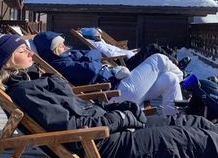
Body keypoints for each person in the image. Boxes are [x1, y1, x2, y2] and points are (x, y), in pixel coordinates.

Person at [0, 30, 218, 158]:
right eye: (23, 51)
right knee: (190, 139)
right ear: (6, 60)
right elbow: (72, 130)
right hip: (106, 149)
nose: (31, 52)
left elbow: (82, 111)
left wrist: (121, 112)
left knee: (195, 123)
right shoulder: (25, 93)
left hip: (113, 133)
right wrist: (121, 117)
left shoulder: (34, 80)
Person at [32, 32, 184, 115]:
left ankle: (175, 120)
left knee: (169, 78)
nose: (64, 46)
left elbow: (94, 54)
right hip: (117, 93)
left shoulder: (68, 56)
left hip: (121, 85)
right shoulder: (61, 64)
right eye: (60, 45)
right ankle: (184, 80)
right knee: (159, 58)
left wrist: (92, 59)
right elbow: (91, 67)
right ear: (51, 50)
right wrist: (92, 59)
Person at [79, 27, 191, 72]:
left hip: (129, 56)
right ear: (94, 36)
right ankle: (176, 64)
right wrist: (127, 52)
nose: (100, 35)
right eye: (98, 34)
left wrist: (128, 51)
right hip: (128, 63)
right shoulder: (99, 46)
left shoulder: (100, 42)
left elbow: (114, 50)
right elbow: (112, 54)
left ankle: (175, 64)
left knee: (166, 50)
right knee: (152, 47)